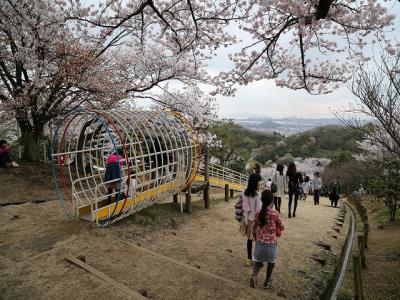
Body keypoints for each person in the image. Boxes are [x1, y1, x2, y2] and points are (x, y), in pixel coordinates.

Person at [250, 190, 284, 289]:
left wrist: (256, 238)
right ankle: (266, 282)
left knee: (258, 262)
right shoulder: (275, 213)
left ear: (262, 200)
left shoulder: (258, 213)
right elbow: (282, 226)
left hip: (259, 243)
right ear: (272, 201)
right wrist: (277, 228)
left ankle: (254, 276)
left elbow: (254, 228)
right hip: (271, 244)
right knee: (271, 263)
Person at [239, 173, 262, 266]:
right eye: (258, 182)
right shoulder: (257, 195)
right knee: (257, 241)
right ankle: (258, 259)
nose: (259, 184)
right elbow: (258, 210)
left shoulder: (245, 191)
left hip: (247, 219)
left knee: (249, 240)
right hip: (254, 221)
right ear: (255, 183)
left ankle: (249, 258)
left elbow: (245, 206)